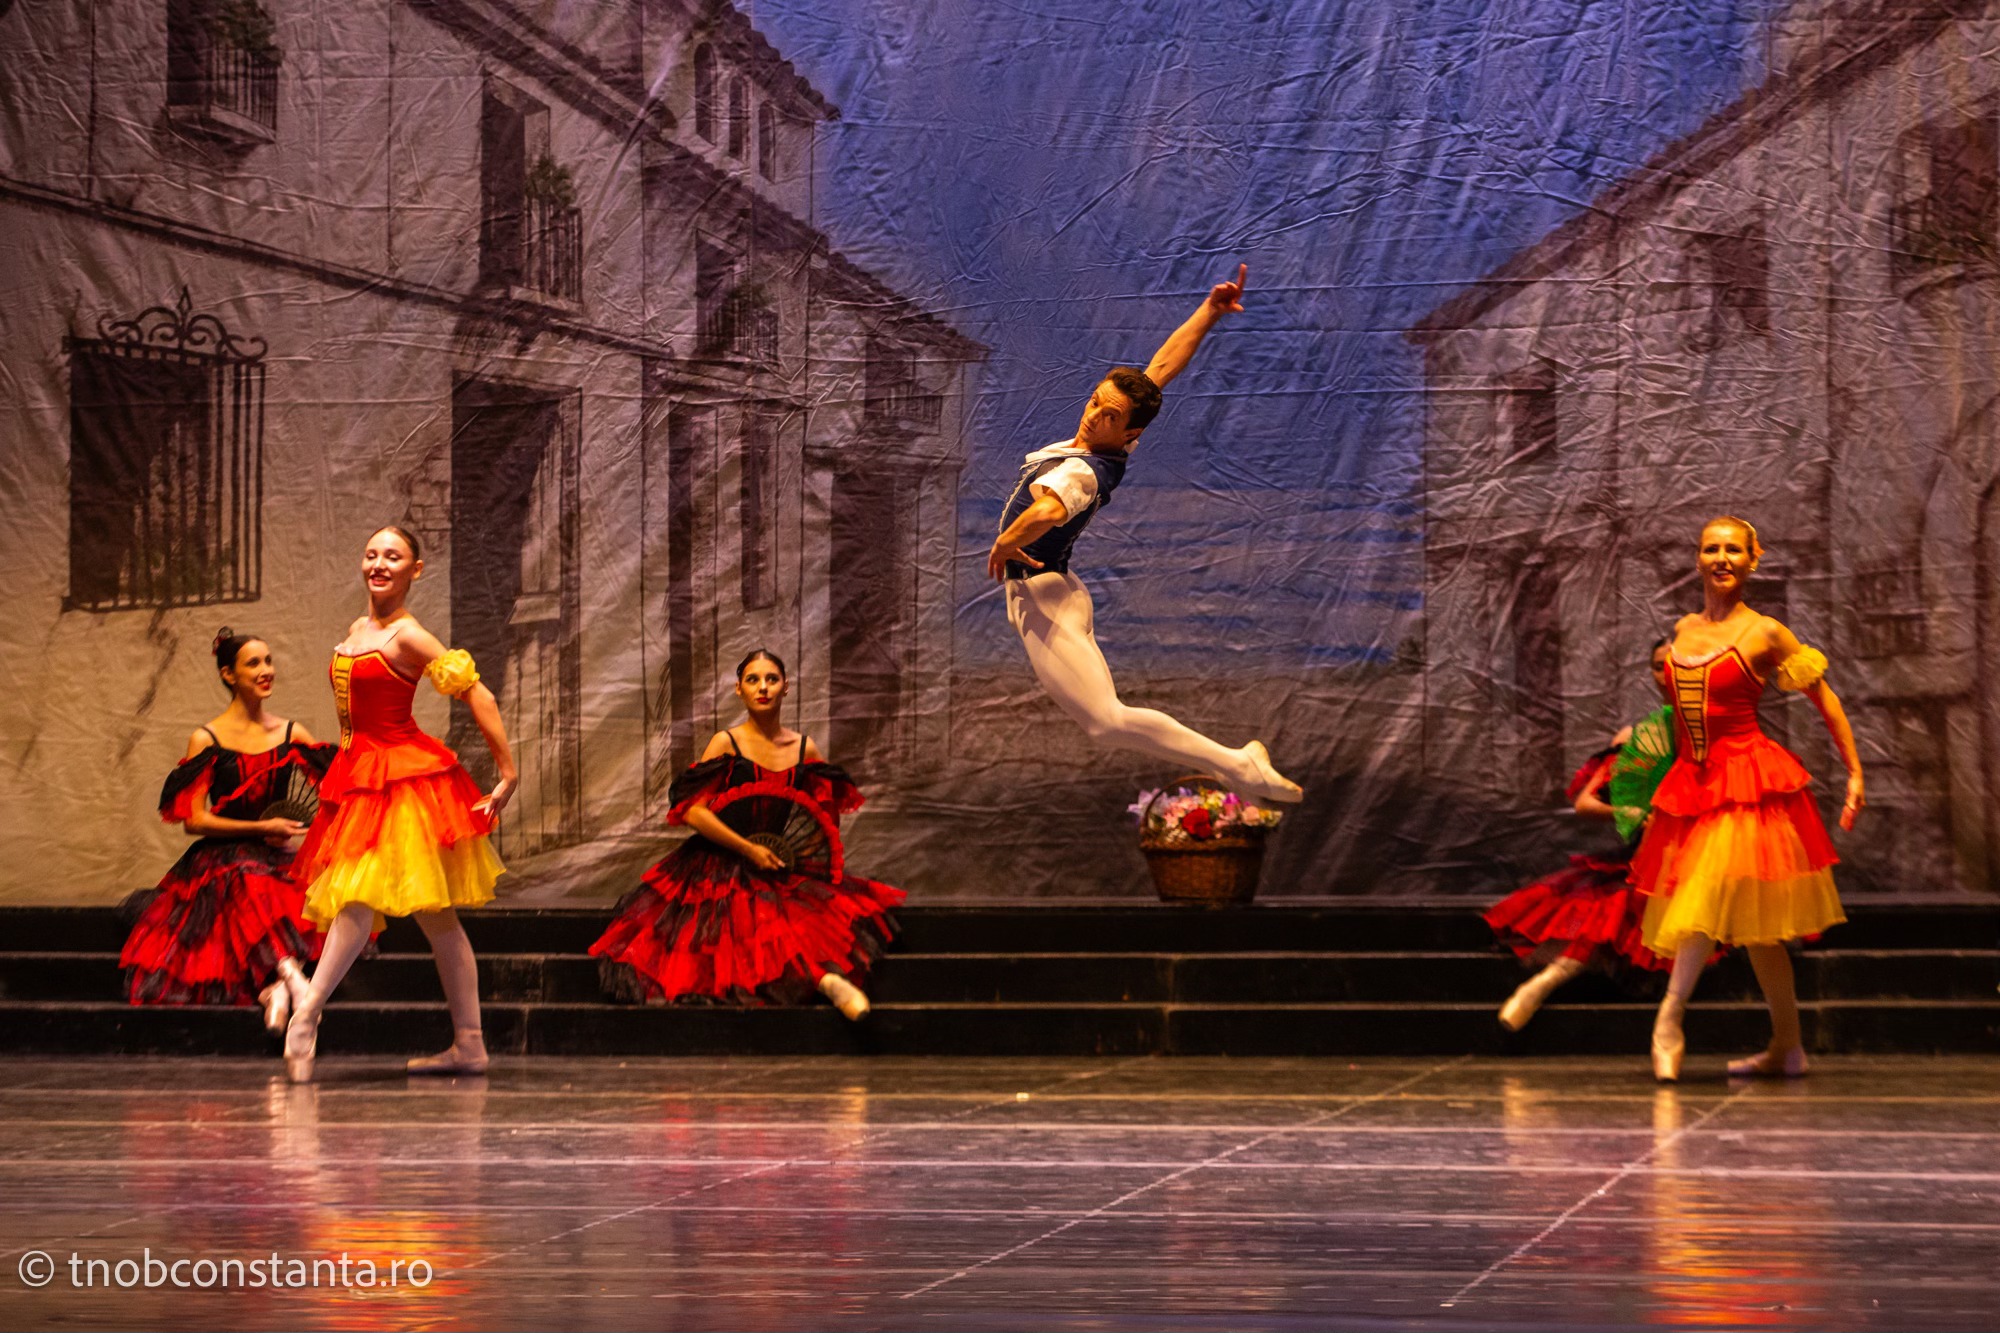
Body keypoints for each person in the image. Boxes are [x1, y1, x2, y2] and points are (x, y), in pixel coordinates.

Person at [985, 265, 1302, 805]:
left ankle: (1238, 764)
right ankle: (1237, 765)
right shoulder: (1103, 441)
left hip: (1044, 597)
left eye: (1108, 416)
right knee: (1103, 720)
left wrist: (1004, 543)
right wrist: (1209, 312)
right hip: (1053, 590)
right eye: (1094, 402)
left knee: (1106, 722)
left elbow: (1047, 511)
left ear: (1129, 431)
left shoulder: (1085, 471)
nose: (1093, 417)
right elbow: (1161, 368)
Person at [282, 526, 516, 1082]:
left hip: (401, 778)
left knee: (360, 894)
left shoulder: (410, 636)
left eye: (393, 556)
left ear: (416, 569)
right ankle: (470, 1043)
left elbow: (478, 692)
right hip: (359, 774)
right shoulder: (358, 629)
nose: (379, 564)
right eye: (371, 554)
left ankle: (308, 1012)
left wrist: (508, 772)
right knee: (436, 917)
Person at [1639, 516, 1863, 1081]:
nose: (1722, 558)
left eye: (1734, 549)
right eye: (1711, 548)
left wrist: (1855, 771)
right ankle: (1787, 1047)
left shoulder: (1765, 632)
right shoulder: (1682, 629)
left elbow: (1826, 699)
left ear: (1752, 559)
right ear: (1697, 558)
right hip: (1695, 785)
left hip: (1747, 783)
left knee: (1706, 890)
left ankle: (1669, 1020)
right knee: (1760, 935)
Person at [590, 650, 903, 1020]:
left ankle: (829, 981)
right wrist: (746, 848)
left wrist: (804, 865)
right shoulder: (726, 743)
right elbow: (692, 811)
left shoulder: (805, 749)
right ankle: (826, 983)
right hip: (716, 862)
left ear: (786, 687)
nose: (763, 688)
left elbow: (822, 819)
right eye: (753, 680)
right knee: (738, 927)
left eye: (771, 679)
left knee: (792, 921)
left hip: (774, 862)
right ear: (739, 689)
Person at [122, 629, 334, 1032]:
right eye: (253, 663)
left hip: (276, 855)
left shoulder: (292, 733)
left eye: (268, 660)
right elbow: (194, 820)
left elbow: (332, 797)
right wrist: (262, 825)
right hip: (221, 856)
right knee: (245, 879)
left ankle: (277, 988)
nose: (266, 670)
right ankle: (290, 977)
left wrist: (302, 834)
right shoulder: (207, 738)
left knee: (286, 891)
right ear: (228, 674)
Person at [1485, 637, 1680, 1031]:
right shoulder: (1642, 736)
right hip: (1649, 857)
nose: (1668, 673)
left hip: (1703, 856)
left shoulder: (1717, 729)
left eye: (1676, 664)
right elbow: (1586, 803)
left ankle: (1548, 983)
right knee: (1613, 907)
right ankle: (1544, 982)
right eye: (1659, 665)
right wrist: (1633, 811)